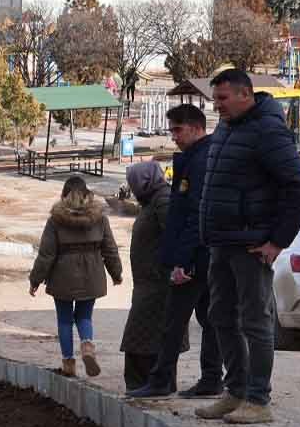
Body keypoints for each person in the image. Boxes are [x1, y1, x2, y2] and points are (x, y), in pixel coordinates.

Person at [196, 69, 300, 424]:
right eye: (214, 99)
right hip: (221, 242)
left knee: (256, 323)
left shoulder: (267, 130)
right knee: (220, 317)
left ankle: (258, 400)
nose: (217, 106)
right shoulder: (227, 127)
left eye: (222, 99)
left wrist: (277, 241)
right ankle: (234, 392)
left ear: (245, 94)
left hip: (250, 246)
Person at [129, 104, 224, 399]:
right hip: (202, 256)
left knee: (173, 322)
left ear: (196, 128)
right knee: (211, 321)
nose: (174, 137)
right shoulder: (196, 157)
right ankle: (211, 379)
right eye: (171, 130)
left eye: (177, 130)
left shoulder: (201, 160)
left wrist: (183, 261)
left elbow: (195, 215)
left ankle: (161, 381)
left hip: (195, 259)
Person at [29, 176, 124, 378]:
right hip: (92, 275)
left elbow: (46, 254)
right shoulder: (100, 218)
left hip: (63, 276)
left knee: (64, 320)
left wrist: (35, 280)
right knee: (84, 316)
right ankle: (87, 346)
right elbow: (110, 249)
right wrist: (116, 274)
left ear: (63, 195)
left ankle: (68, 364)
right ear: (87, 194)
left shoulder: (55, 220)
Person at [120, 160, 185, 392]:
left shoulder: (163, 199)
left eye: (134, 183)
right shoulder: (153, 200)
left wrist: (169, 268)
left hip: (158, 284)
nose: (132, 188)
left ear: (144, 181)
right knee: (145, 337)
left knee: (145, 337)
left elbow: (174, 235)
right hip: (149, 283)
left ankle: (153, 384)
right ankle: (150, 384)